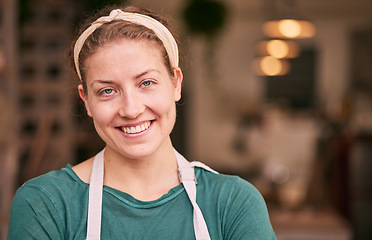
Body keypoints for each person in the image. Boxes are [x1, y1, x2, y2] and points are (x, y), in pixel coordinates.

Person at [7, 5, 277, 240]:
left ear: (176, 83)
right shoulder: (46, 203)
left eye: (146, 83)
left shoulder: (233, 203)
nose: (131, 109)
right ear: (86, 100)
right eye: (107, 91)